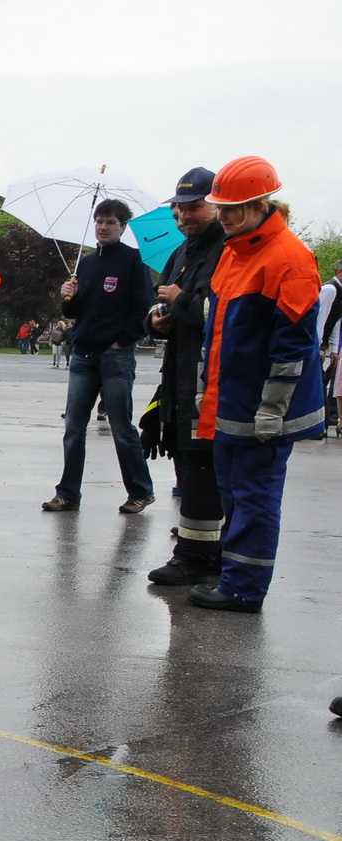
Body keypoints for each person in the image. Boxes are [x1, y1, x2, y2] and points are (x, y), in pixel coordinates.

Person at [186, 157, 326, 613]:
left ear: (259, 204)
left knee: (255, 495)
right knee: (236, 492)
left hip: (262, 406)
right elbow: (220, 327)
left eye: (232, 209)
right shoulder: (236, 249)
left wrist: (273, 409)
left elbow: (293, 345)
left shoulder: (289, 258)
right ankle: (236, 577)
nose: (223, 217)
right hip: (232, 398)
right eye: (221, 208)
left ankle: (245, 588)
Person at [139, 167, 228, 586]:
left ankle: (196, 556)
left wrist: (181, 302)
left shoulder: (226, 250)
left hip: (206, 376)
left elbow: (224, 313)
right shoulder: (181, 253)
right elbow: (159, 303)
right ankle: (201, 551)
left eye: (193, 207)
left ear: (216, 205)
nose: (183, 217)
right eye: (179, 209)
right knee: (186, 461)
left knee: (202, 466)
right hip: (178, 371)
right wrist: (157, 321)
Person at [41, 199, 156, 513]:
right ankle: (67, 493)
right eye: (100, 221)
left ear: (122, 226)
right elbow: (76, 311)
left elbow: (143, 307)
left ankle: (140, 491)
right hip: (83, 355)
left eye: (111, 222)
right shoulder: (87, 264)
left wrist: (122, 341)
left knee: (121, 427)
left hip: (115, 356)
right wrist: (69, 299)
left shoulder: (134, 261)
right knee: (74, 427)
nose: (103, 227)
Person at [319, 257, 341, 431]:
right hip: (317, 344)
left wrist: (333, 348)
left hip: (324, 344)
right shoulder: (329, 289)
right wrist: (318, 345)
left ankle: (323, 422)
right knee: (318, 384)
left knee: (321, 383)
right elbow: (320, 318)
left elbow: (336, 321)